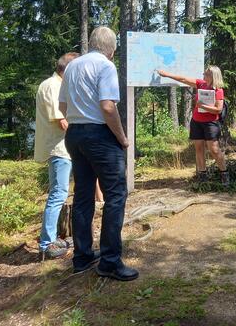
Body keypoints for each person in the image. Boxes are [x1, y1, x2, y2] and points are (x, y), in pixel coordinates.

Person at [58, 26, 138, 281]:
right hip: (99, 135)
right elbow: (107, 106)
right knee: (116, 195)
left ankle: (82, 257)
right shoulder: (105, 66)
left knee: (83, 195)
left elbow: (62, 105)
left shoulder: (72, 66)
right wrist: (122, 138)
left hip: (74, 135)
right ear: (111, 49)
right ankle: (110, 262)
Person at [34, 52, 79, 260]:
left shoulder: (51, 83)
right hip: (59, 148)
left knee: (58, 193)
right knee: (58, 194)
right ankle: (46, 244)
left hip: (57, 147)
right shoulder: (54, 85)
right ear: (68, 69)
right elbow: (61, 120)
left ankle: (50, 239)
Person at [157, 66, 229, 186]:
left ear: (212, 76)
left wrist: (202, 106)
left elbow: (218, 110)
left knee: (214, 150)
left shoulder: (218, 90)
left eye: (205, 74)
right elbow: (184, 79)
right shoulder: (201, 84)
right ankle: (202, 177)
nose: (203, 75)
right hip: (196, 122)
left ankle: (224, 174)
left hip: (211, 124)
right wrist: (167, 74)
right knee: (199, 149)